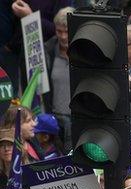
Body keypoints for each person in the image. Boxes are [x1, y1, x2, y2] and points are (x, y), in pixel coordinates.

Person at [43, 6, 74, 151]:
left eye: (67, 32)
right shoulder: (48, 51)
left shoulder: (86, 52)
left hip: (77, 120)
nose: (62, 36)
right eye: (59, 31)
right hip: (55, 121)